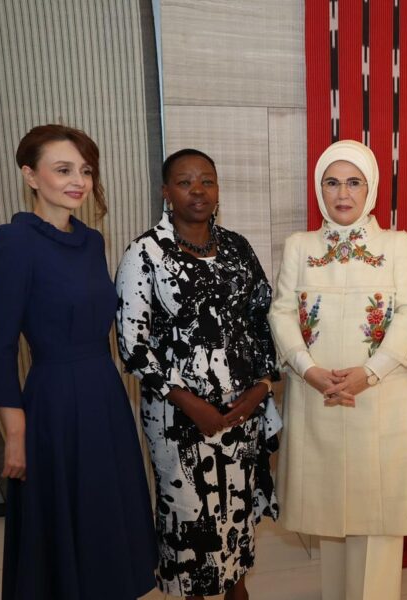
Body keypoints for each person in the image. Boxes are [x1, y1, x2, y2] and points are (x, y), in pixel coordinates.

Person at [0, 124, 157, 599]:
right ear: (30, 176)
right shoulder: (13, 241)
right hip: (54, 402)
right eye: (63, 170)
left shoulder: (91, 241)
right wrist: (15, 434)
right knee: (61, 527)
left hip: (104, 393)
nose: (79, 181)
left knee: (105, 514)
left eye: (85, 170)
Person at [115, 149, 281, 600]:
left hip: (242, 412)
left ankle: (238, 589)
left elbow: (263, 318)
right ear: (166, 192)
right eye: (185, 182)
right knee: (190, 518)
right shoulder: (145, 253)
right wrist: (190, 403)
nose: (198, 191)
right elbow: (133, 344)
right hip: (178, 419)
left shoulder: (237, 248)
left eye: (207, 180)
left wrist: (262, 387)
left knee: (237, 508)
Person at [268, 140, 407, 600]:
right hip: (316, 395)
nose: (343, 193)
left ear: (371, 187)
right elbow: (281, 312)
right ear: (319, 189)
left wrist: (369, 373)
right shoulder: (299, 246)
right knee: (330, 519)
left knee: (378, 521)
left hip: (379, 399)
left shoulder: (397, 245)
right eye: (332, 182)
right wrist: (308, 370)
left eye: (354, 182)